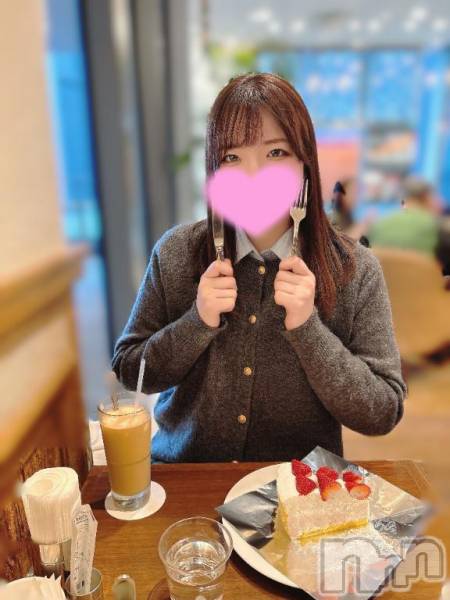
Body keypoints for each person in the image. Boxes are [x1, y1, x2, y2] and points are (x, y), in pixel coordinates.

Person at [112, 72, 407, 463]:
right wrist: (197, 321)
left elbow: (382, 411)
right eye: (232, 157)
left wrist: (308, 330)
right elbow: (130, 370)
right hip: (185, 476)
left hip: (297, 489)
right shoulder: (177, 252)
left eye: (276, 153)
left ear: (305, 162)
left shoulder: (355, 268)